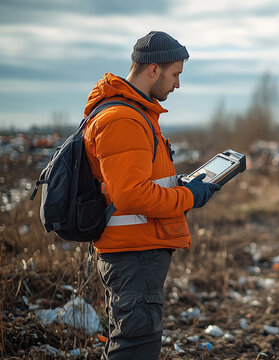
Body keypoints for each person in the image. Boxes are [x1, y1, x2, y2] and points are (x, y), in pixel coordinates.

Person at [82, 31, 219, 359]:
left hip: (138, 250)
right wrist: (190, 197)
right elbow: (131, 196)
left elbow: (140, 182)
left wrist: (182, 185)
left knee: (131, 342)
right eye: (175, 75)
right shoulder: (123, 119)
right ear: (153, 70)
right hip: (134, 253)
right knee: (134, 348)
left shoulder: (135, 113)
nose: (177, 85)